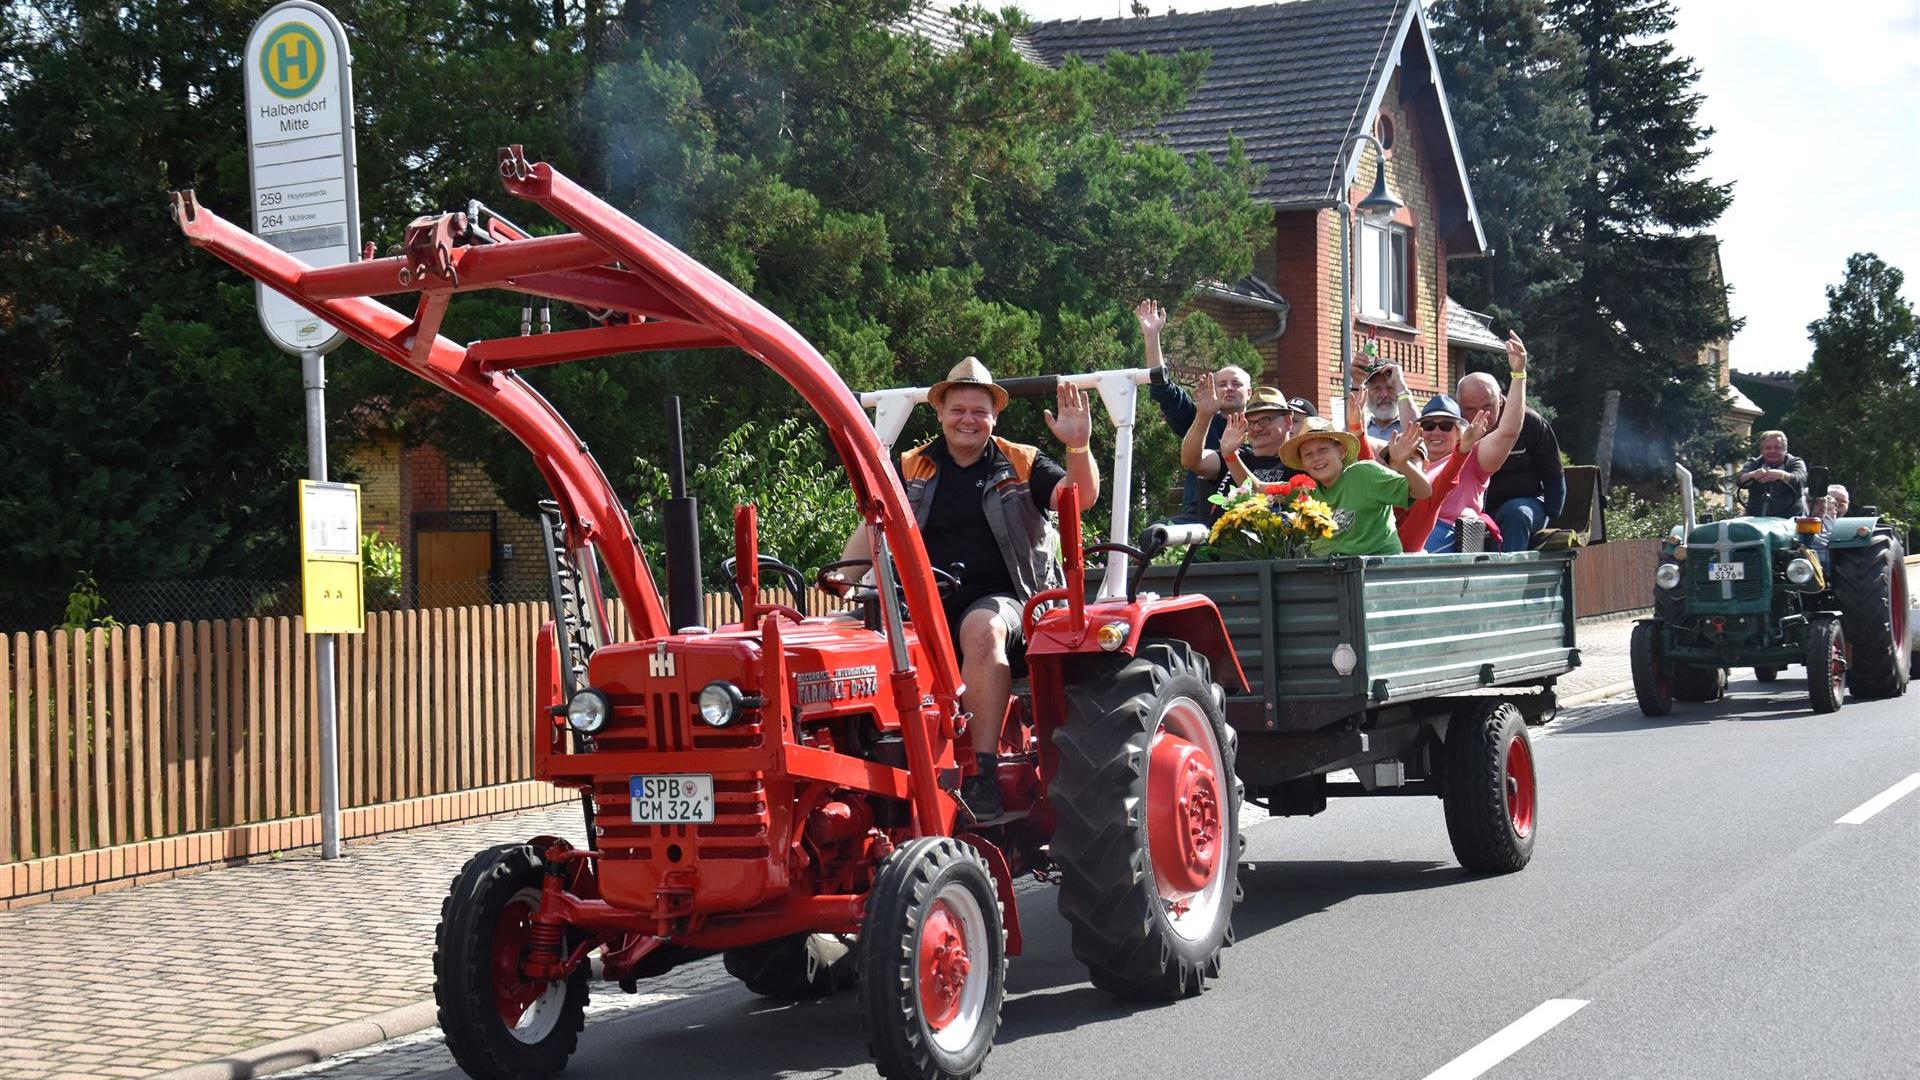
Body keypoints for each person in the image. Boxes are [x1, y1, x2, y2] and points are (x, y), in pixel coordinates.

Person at [837, 357, 1095, 820]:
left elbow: (1080, 498)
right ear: (940, 413)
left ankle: (983, 777)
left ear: (994, 417)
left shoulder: (1022, 462)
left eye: (979, 411)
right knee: (848, 639)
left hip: (1009, 598)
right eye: (958, 409)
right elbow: (873, 520)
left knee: (981, 630)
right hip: (921, 603)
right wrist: (843, 576)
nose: (968, 420)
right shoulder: (912, 466)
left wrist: (1078, 448)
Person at [1138, 298, 1254, 521]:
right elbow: (1163, 389)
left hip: (1251, 520)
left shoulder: (1261, 428)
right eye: (1221, 384)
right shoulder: (1199, 419)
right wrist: (1152, 337)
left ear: (1249, 392)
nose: (1228, 388)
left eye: (1236, 384)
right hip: (1198, 518)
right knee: (1155, 535)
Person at [1420, 333, 1532, 552]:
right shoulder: (1412, 458)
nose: (1435, 432)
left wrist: (1519, 374)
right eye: (1428, 425)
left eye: (1445, 426)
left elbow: (1508, 432)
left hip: (1449, 533)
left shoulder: (1471, 456)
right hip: (1410, 530)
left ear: (1460, 432)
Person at [1278, 416, 1431, 556]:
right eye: (1308, 454)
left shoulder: (1364, 473)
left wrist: (1403, 464)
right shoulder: (1305, 490)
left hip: (1378, 572)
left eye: (1323, 450)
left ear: (1341, 452)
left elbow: (1423, 492)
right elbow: (1264, 488)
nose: (1316, 458)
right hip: (1329, 576)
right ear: (1302, 464)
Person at [1457, 362, 1562, 552]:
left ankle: (1506, 578)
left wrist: (1552, 514)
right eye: (1471, 409)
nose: (1482, 415)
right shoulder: (1453, 427)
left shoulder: (1530, 422)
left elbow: (1553, 475)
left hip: (1527, 504)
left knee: (1514, 513)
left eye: (1488, 405)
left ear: (1501, 400)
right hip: (1475, 506)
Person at [1180, 378, 1303, 497]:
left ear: (1287, 422)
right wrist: (1203, 415)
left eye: (1264, 420)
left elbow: (1259, 491)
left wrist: (1230, 456)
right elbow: (1191, 461)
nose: (1256, 429)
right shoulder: (1240, 454)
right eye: (1250, 422)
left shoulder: (1301, 461)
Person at [1736, 430, 1807, 518]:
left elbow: (1800, 478)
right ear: (1762, 451)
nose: (1772, 451)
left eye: (1777, 447)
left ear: (1785, 450)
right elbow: (1740, 480)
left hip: (1789, 519)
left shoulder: (1795, 462)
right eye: (1768, 448)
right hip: (1757, 518)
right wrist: (1752, 475)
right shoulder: (1754, 463)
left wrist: (1782, 475)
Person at [1350, 356, 1415, 443]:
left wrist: (1401, 384)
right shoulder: (1361, 427)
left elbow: (1417, 430)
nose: (1384, 395)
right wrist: (1356, 382)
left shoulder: (1409, 423)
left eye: (1390, 388)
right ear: (1367, 392)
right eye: (1376, 389)